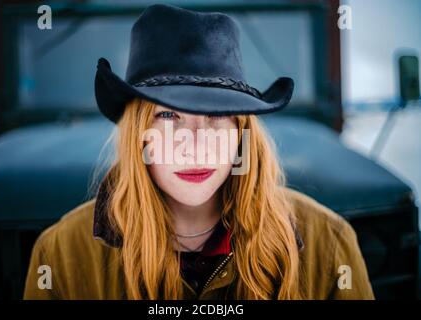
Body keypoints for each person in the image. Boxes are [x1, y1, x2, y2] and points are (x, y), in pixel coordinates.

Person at [23, 4, 374, 300]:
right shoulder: (61, 255)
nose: (194, 145)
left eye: (217, 116)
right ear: (140, 135)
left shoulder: (328, 244)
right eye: (167, 115)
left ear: (241, 133)